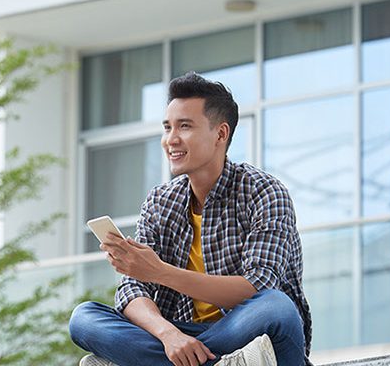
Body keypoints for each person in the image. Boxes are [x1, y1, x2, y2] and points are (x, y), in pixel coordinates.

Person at [68, 72, 312, 366]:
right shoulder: (160, 202)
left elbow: (258, 287)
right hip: (180, 336)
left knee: (277, 308)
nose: (171, 139)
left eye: (185, 126)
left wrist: (160, 272)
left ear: (221, 134)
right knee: (84, 318)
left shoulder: (264, 192)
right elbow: (133, 289)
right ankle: (220, 363)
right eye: (167, 127)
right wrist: (169, 335)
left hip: (243, 330)